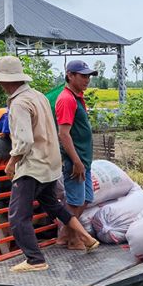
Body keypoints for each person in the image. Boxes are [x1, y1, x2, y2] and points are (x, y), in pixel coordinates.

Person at [0, 55, 98, 272]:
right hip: (50, 163)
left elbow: (25, 140)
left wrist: (11, 163)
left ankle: (35, 260)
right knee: (53, 205)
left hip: (32, 166)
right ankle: (87, 237)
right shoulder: (38, 96)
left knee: (18, 217)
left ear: (6, 81)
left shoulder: (19, 103)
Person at [54, 59, 97, 249]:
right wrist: (76, 161)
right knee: (74, 201)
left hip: (84, 160)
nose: (87, 80)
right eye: (83, 76)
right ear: (70, 76)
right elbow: (63, 134)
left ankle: (65, 235)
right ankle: (72, 239)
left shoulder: (77, 97)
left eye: (88, 76)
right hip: (76, 160)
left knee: (86, 198)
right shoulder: (66, 99)